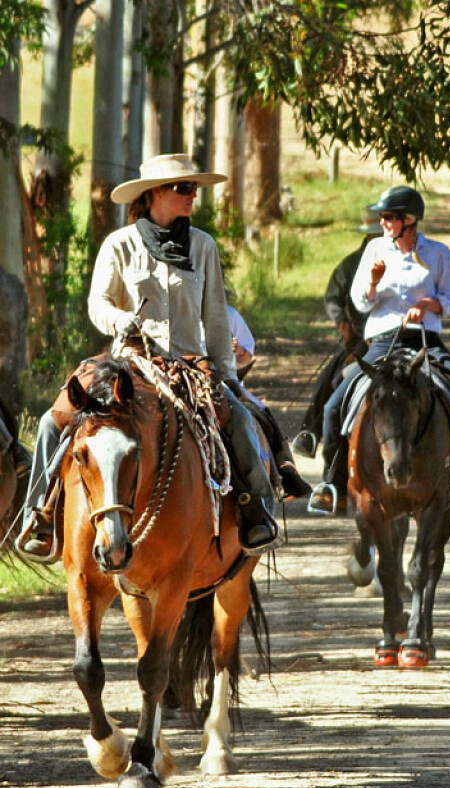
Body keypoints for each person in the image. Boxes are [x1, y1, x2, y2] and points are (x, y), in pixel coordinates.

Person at [18, 154, 281, 561]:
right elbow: (97, 304)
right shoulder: (119, 245)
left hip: (189, 366)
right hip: (129, 363)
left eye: (194, 188)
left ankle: (255, 511)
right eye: (183, 188)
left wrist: (227, 377)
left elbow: (214, 316)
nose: (192, 195)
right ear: (155, 193)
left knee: (242, 419)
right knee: (53, 420)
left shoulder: (203, 246)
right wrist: (121, 319)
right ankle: (41, 516)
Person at [307, 185, 450, 514]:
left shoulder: (439, 254)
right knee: (333, 405)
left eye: (388, 217)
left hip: (424, 341)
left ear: (409, 221)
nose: (382, 222)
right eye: (382, 217)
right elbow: (360, 301)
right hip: (382, 341)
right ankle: (331, 482)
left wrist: (429, 304)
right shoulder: (374, 251)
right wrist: (372, 282)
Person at [292, 206, 380, 458]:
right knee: (330, 380)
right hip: (358, 339)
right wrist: (342, 320)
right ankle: (312, 432)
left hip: (393, 335)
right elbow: (332, 297)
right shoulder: (350, 265)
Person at [225, 303, 312, 500]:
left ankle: (284, 467)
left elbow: (248, 357)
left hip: (226, 379)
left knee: (260, 411)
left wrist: (238, 350)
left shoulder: (228, 315)